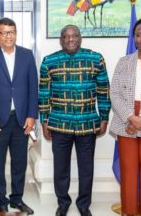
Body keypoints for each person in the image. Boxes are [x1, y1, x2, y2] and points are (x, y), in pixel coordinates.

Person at [39, 25, 111, 216]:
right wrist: (44, 120)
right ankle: (63, 203)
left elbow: (103, 90)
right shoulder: (49, 62)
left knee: (86, 168)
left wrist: (104, 117)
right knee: (60, 168)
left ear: (80, 38)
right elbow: (44, 94)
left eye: (74, 36)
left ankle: (84, 205)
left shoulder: (96, 59)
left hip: (87, 123)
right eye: (66, 36)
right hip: (58, 123)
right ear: (60, 39)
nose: (70, 39)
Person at [0, 17, 37, 215]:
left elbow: (32, 88)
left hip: (21, 119)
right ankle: (1, 200)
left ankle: (17, 199)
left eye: (11, 32)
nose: (8, 36)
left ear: (16, 33)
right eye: (3, 32)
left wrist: (32, 115)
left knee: (20, 161)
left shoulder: (27, 55)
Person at [109, 17, 141, 216]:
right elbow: (114, 93)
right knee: (129, 172)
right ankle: (128, 212)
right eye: (139, 35)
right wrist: (131, 117)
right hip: (125, 120)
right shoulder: (124, 62)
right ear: (134, 38)